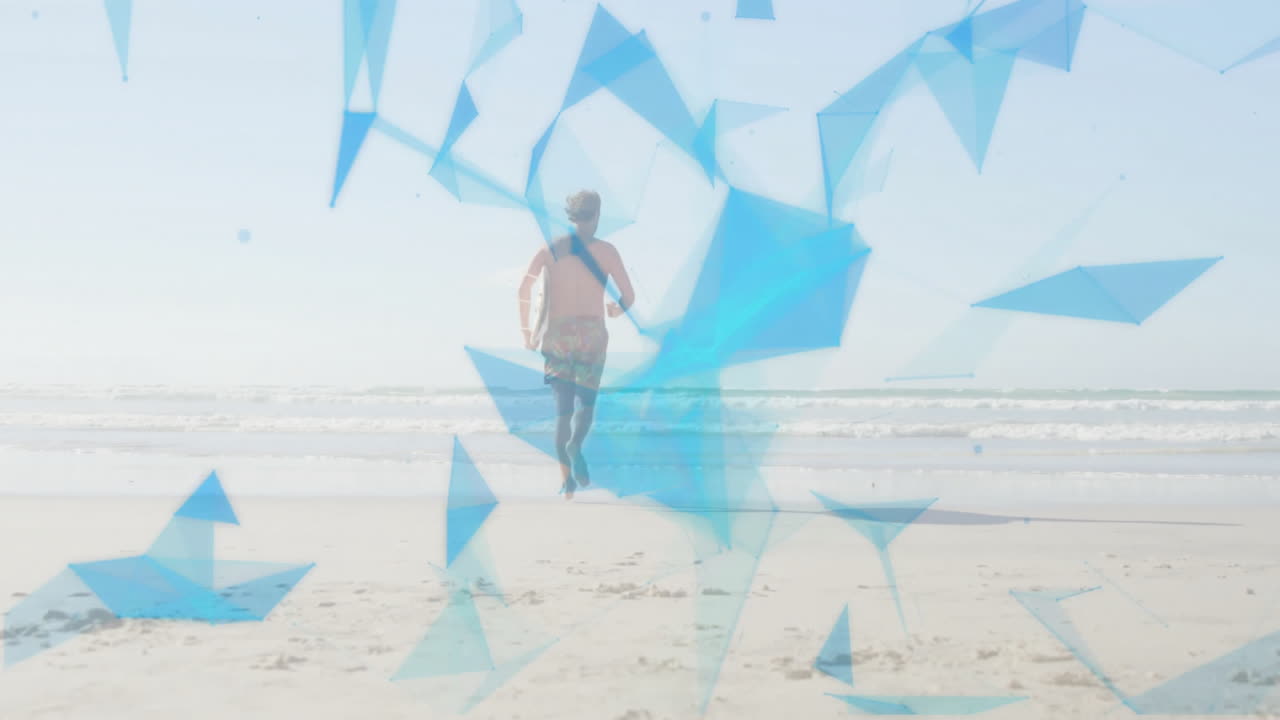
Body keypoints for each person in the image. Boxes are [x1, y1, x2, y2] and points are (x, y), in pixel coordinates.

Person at [517, 190, 634, 499]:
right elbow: (629, 296)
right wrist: (617, 309)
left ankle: (566, 481)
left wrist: (527, 332)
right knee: (588, 404)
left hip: (557, 334)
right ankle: (576, 446)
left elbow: (524, 288)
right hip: (592, 333)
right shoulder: (608, 252)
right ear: (596, 216)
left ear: (569, 216)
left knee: (562, 411)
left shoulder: (550, 249)